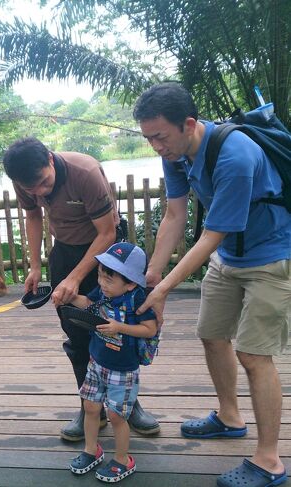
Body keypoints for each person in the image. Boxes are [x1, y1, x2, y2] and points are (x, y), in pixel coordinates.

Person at [133, 82, 291, 486]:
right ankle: (229, 417)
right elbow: (174, 215)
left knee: (254, 355)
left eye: (160, 137)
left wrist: (164, 288)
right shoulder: (176, 152)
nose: (155, 146)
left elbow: (210, 235)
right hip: (229, 257)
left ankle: (269, 460)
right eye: (148, 137)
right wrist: (153, 273)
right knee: (212, 335)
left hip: (272, 257)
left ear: (188, 124)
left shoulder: (236, 156)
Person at [3, 137, 160, 441]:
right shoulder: (24, 178)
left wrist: (75, 278)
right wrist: (35, 266)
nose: (40, 193)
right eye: (31, 189)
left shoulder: (84, 173)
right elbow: (33, 216)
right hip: (64, 249)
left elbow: (107, 232)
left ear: (50, 159)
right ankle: (90, 407)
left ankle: (128, 405)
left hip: (106, 254)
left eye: (44, 184)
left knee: (118, 329)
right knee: (76, 332)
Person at [69, 242, 157, 482]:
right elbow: (89, 304)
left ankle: (122, 459)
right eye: (100, 276)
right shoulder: (103, 292)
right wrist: (68, 297)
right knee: (90, 407)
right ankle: (91, 450)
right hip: (96, 362)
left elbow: (150, 329)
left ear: (130, 283)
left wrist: (120, 328)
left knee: (117, 416)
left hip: (123, 370)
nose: (101, 284)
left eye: (109, 280)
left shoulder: (137, 298)